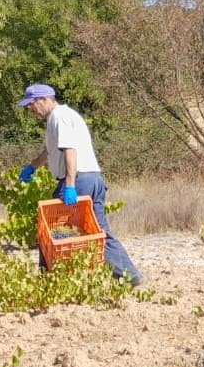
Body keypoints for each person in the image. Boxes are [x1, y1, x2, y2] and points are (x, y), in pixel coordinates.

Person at [15, 84, 142, 286]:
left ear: (44, 100)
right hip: (93, 179)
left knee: (51, 229)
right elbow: (49, 152)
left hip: (79, 179)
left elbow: (70, 150)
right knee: (99, 231)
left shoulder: (60, 116)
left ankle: (49, 282)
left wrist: (70, 185)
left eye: (31, 106)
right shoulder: (58, 119)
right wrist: (31, 168)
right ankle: (129, 276)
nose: (31, 111)